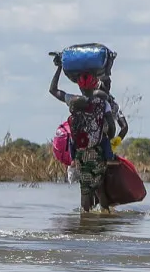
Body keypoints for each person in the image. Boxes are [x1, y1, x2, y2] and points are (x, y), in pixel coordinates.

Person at [50, 61, 128, 211]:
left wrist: (59, 67)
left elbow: (53, 90)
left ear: (79, 86)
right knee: (99, 187)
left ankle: (85, 223)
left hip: (80, 152)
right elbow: (114, 127)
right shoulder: (104, 102)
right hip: (98, 151)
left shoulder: (72, 100)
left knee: (85, 190)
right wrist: (110, 143)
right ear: (95, 84)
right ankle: (104, 217)